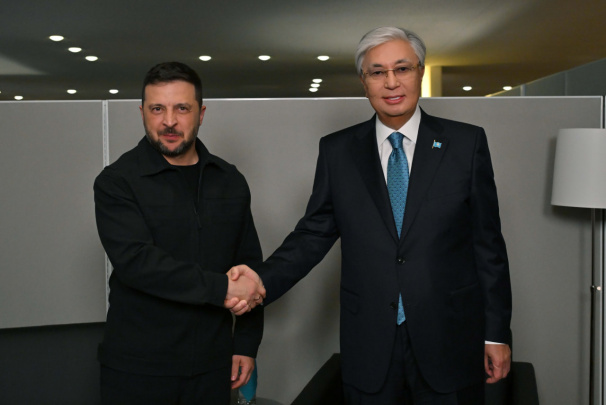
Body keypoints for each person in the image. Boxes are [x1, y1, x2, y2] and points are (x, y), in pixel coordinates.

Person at [228, 27, 512, 404]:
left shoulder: (466, 143)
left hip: (450, 337)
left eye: (402, 69)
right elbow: (312, 234)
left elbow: (488, 246)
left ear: (420, 72)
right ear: (364, 82)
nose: (391, 82)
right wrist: (261, 280)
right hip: (370, 343)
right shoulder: (338, 151)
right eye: (377, 72)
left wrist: (496, 333)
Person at [94, 61, 266, 405]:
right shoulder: (117, 182)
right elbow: (139, 263)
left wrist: (246, 344)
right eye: (157, 108)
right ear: (142, 113)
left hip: (213, 366)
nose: (169, 121)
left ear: (201, 114)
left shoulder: (230, 180)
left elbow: (248, 266)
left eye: (182, 108)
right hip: (138, 370)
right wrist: (223, 288)